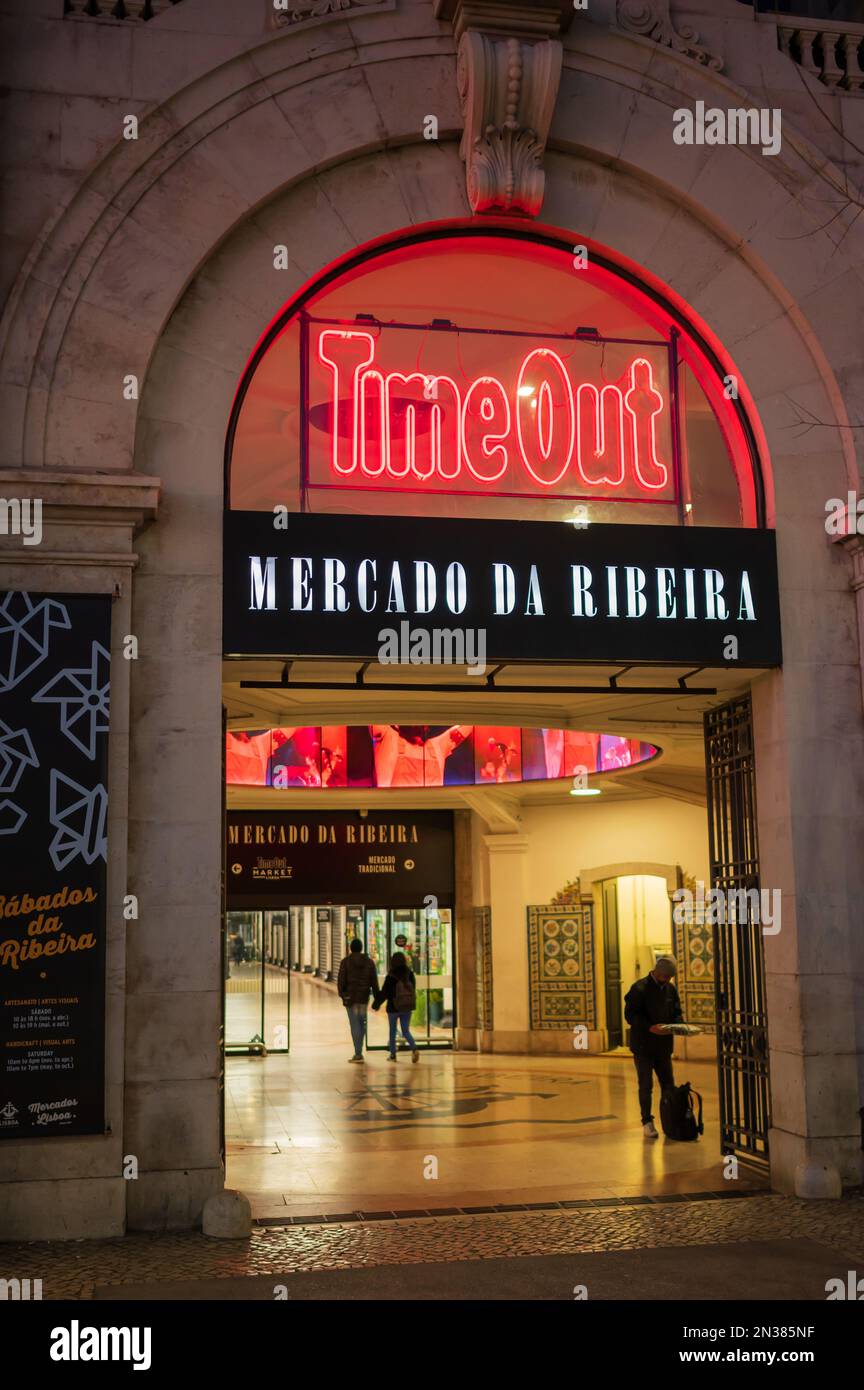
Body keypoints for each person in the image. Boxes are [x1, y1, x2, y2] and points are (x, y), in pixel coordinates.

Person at [624, 953, 684, 1139]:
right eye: (665, 976)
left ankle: (670, 1119)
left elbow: (676, 1011)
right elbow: (631, 1015)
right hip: (643, 1046)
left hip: (663, 1046)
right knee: (646, 1085)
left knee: (668, 1084)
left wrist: (679, 1024)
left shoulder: (670, 989)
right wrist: (650, 1027)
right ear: (657, 971)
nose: (667, 980)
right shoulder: (639, 988)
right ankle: (647, 1122)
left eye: (670, 977)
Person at [337, 938, 380, 1063]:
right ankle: (359, 1050)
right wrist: (377, 998)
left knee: (354, 1024)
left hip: (351, 999)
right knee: (362, 1023)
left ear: (351, 948)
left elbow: (341, 981)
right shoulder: (369, 962)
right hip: (363, 998)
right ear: (361, 948)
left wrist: (343, 995)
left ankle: (358, 1053)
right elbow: (374, 982)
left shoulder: (346, 962)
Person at [372, 951, 419, 1062]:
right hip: (407, 1006)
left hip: (393, 1008)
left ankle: (393, 1055)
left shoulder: (391, 976)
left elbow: (384, 993)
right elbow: (413, 989)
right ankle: (414, 1048)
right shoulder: (410, 974)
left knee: (392, 1031)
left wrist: (376, 1004)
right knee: (405, 1031)